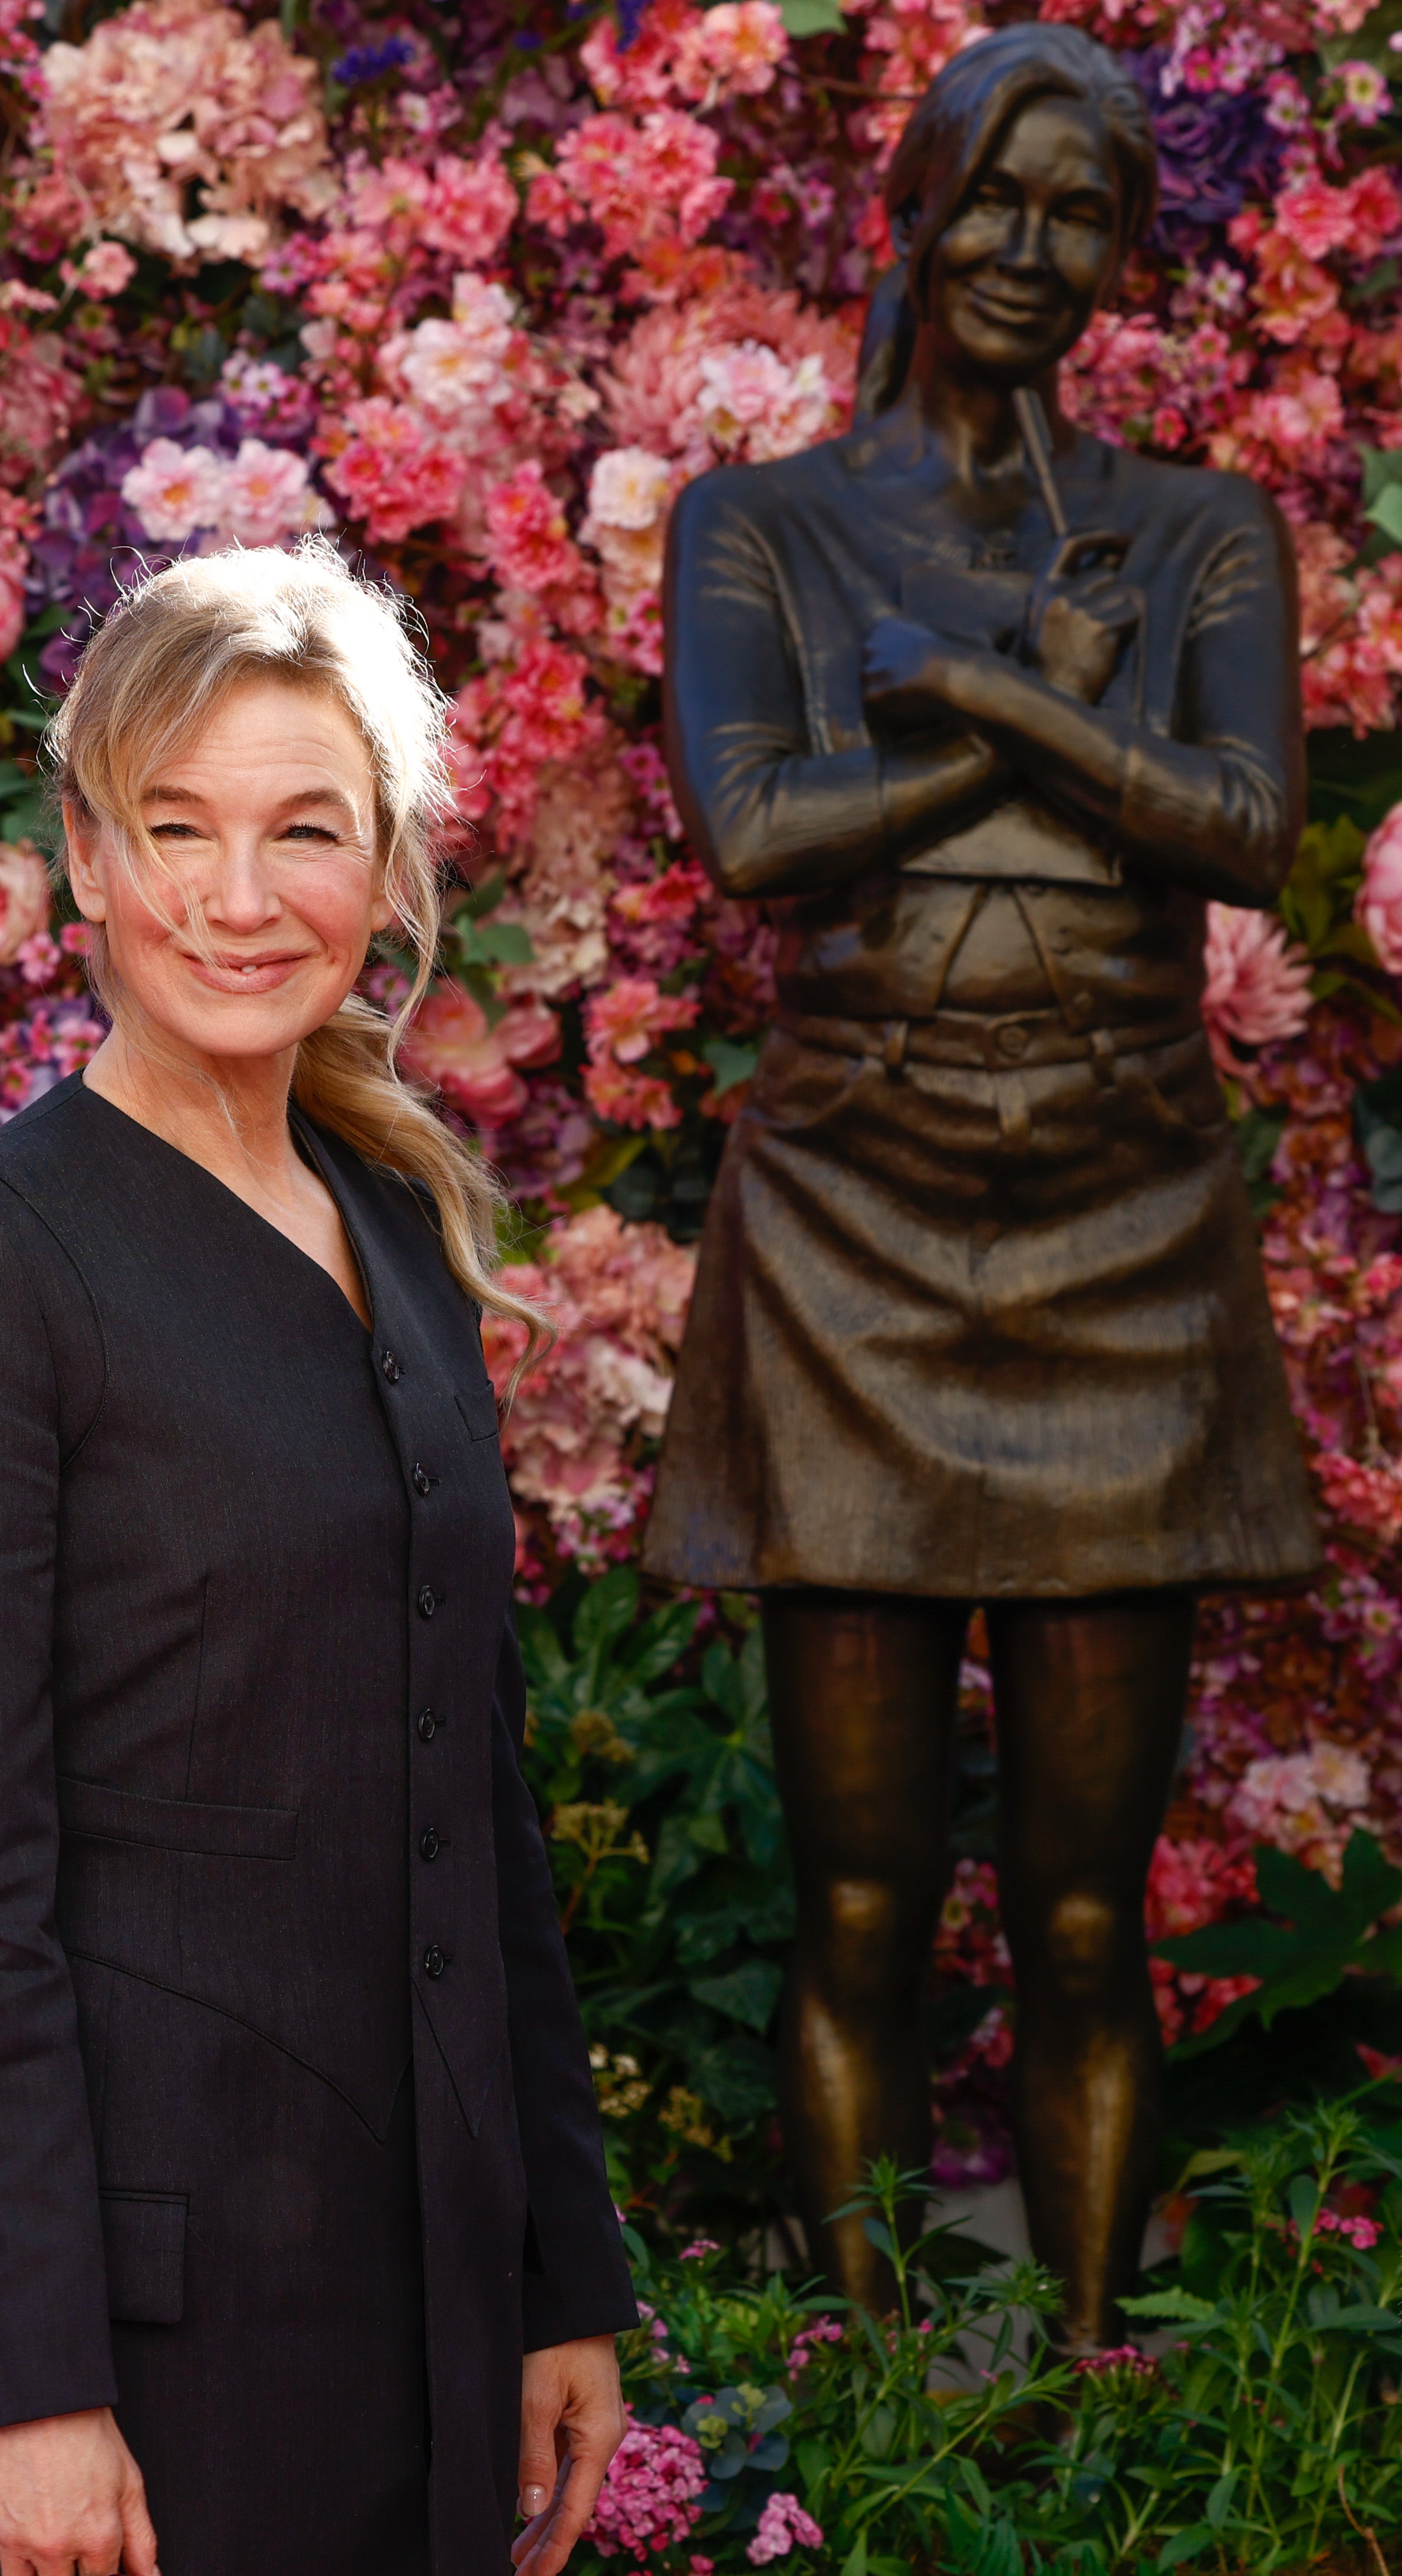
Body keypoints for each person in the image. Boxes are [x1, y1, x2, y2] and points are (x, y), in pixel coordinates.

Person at [0, 541, 634, 2576]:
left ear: (387, 863)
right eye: (180, 827)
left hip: (395, 2334)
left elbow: (469, 1806)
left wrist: (548, 2280)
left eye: (304, 827)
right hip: (106, 2372)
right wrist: (25, 2384)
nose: (242, 898)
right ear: (86, 857)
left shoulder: (397, 1235)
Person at [643, 23, 1317, 2347]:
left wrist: (989, 692)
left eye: (1082, 216)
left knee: (1074, 1909)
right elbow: (752, 840)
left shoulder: (1200, 527)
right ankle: (852, 2376)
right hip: (849, 1226)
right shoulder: (758, 527)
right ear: (911, 210)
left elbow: (1238, 838)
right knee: (852, 1895)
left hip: (1122, 1218)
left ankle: (1096, 2378)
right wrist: (1023, 713)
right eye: (998, 201)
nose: (1033, 253)